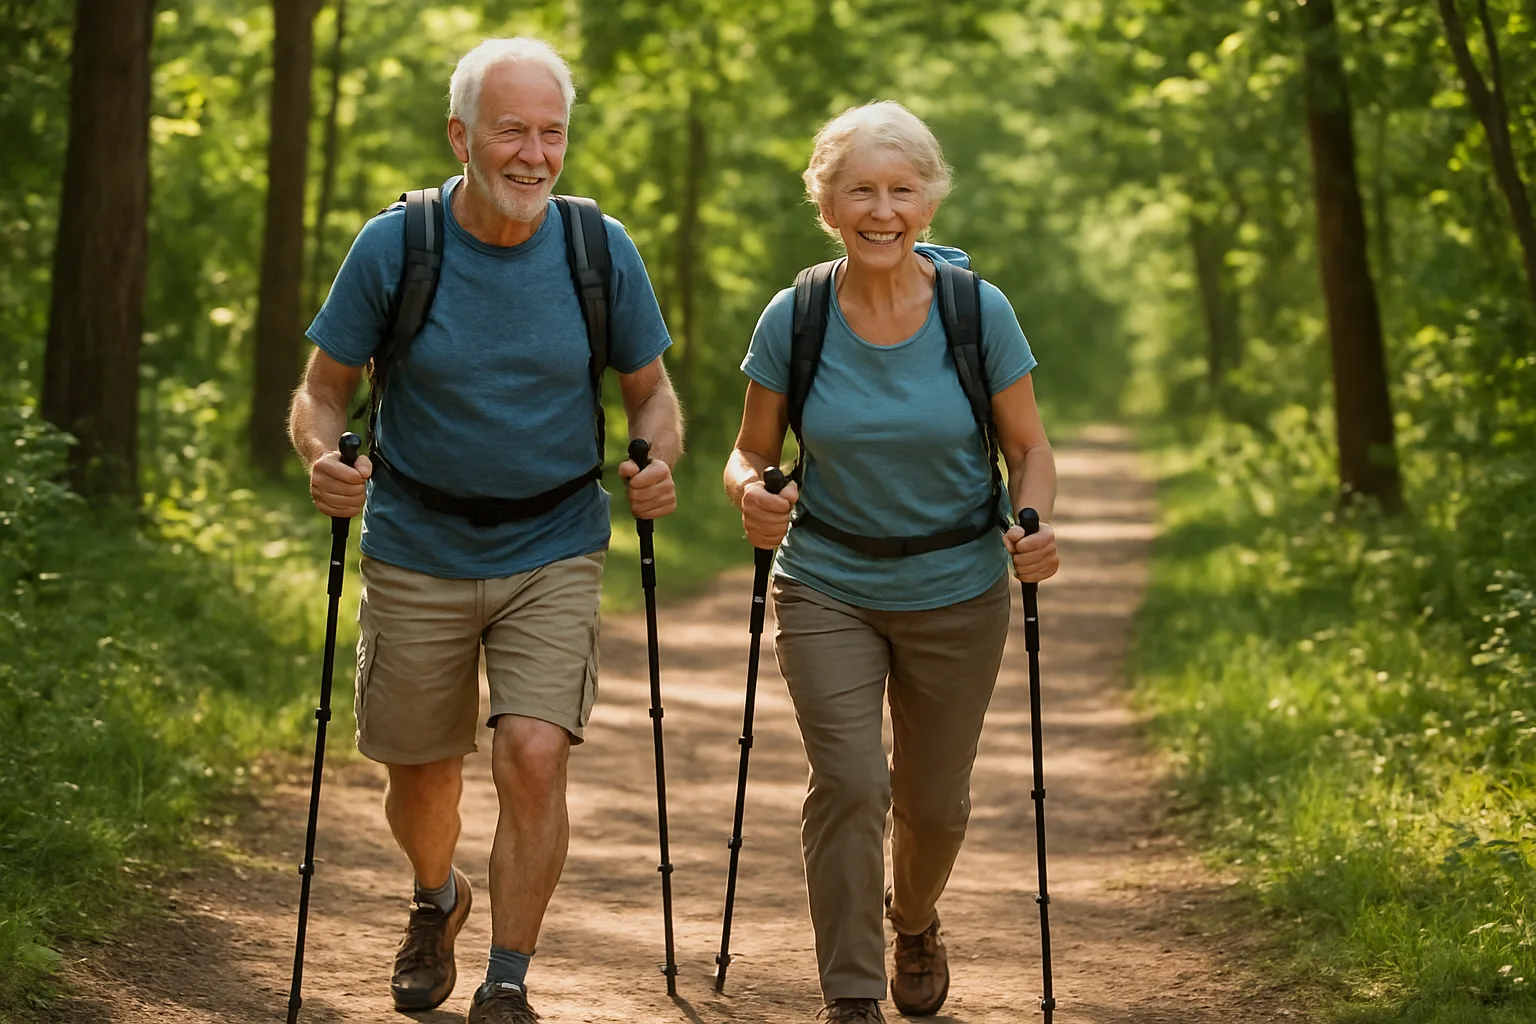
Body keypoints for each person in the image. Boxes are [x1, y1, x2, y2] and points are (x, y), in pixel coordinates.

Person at [288, 37, 682, 1024]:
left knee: (534, 751)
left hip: (553, 539)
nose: (534, 154)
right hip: (416, 541)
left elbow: (653, 392)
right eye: (513, 129)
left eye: (552, 132)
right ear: (461, 134)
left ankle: (508, 979)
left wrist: (653, 454)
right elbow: (320, 392)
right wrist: (324, 458)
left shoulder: (599, 250)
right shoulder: (397, 247)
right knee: (419, 776)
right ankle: (438, 896)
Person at [723, 100, 1060, 1023]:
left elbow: (1029, 447)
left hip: (958, 587)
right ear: (827, 204)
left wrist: (1032, 520)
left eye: (902, 190)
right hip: (828, 580)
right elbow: (749, 450)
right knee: (851, 782)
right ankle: (853, 992)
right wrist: (752, 492)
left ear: (929, 203)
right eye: (859, 189)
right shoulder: (795, 316)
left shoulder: (975, 311)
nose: (882, 209)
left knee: (935, 806)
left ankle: (914, 920)